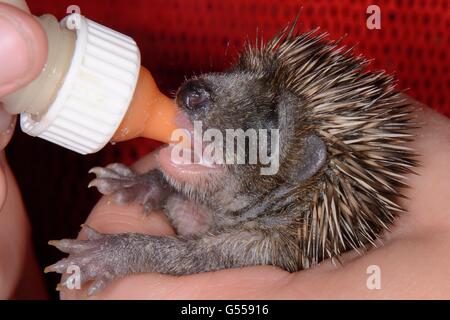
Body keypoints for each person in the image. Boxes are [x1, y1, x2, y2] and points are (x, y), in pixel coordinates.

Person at [1, 0, 449, 299]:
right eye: (242, 71)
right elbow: (208, 192)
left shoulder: (271, 240)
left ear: (303, 168)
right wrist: (151, 185)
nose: (201, 87)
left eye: (267, 117)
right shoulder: (248, 184)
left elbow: (196, 257)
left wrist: (111, 252)